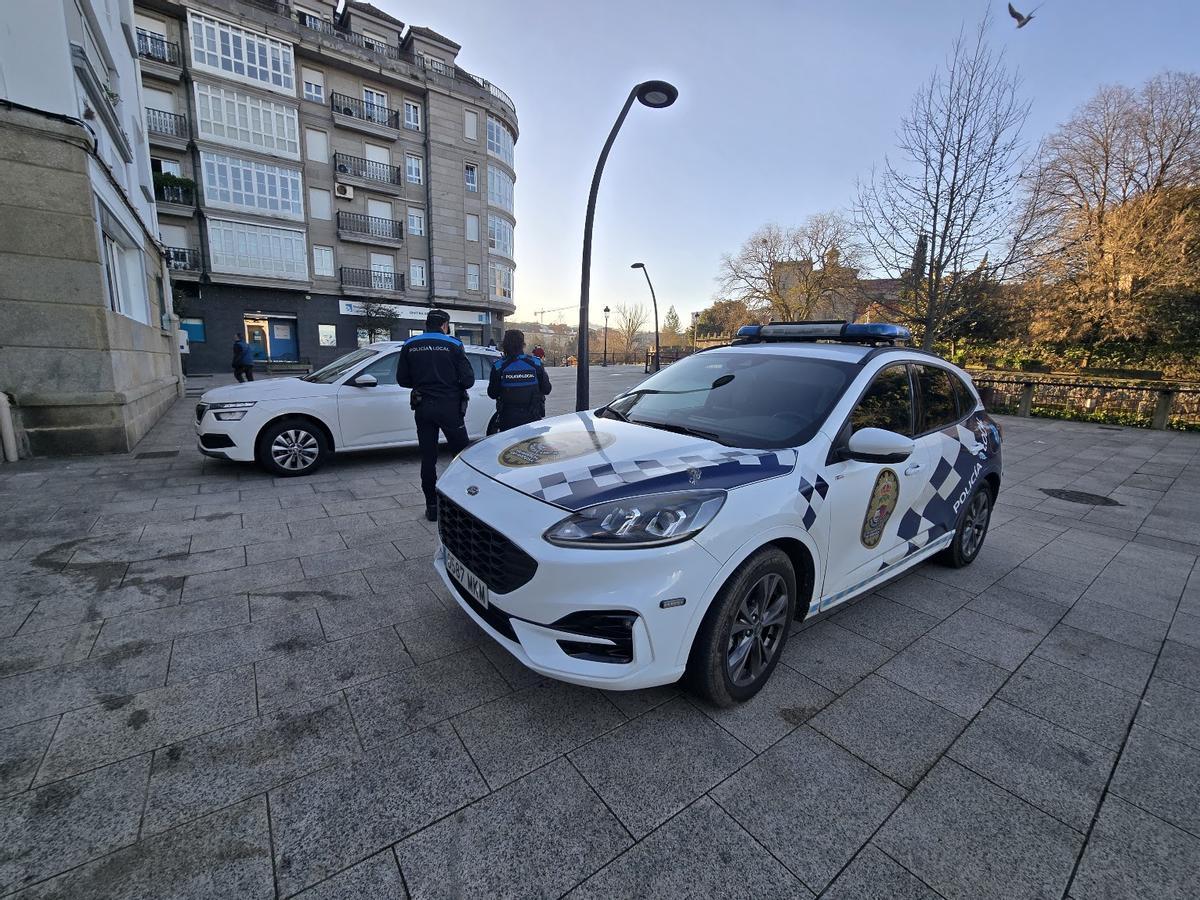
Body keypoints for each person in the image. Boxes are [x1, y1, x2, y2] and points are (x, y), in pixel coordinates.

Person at [396, 309, 475, 521]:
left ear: (427, 324)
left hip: (423, 407)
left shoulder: (410, 345)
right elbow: (468, 380)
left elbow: (402, 379)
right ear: (444, 325)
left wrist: (423, 383)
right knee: (462, 457)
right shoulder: (454, 344)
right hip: (450, 407)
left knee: (428, 458)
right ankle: (464, 504)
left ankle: (432, 507)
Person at [488, 330, 552, 433]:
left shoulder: (499, 366)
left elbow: (492, 393)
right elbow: (547, 389)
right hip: (533, 419)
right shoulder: (535, 363)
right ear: (523, 344)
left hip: (508, 420)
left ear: (505, 344)